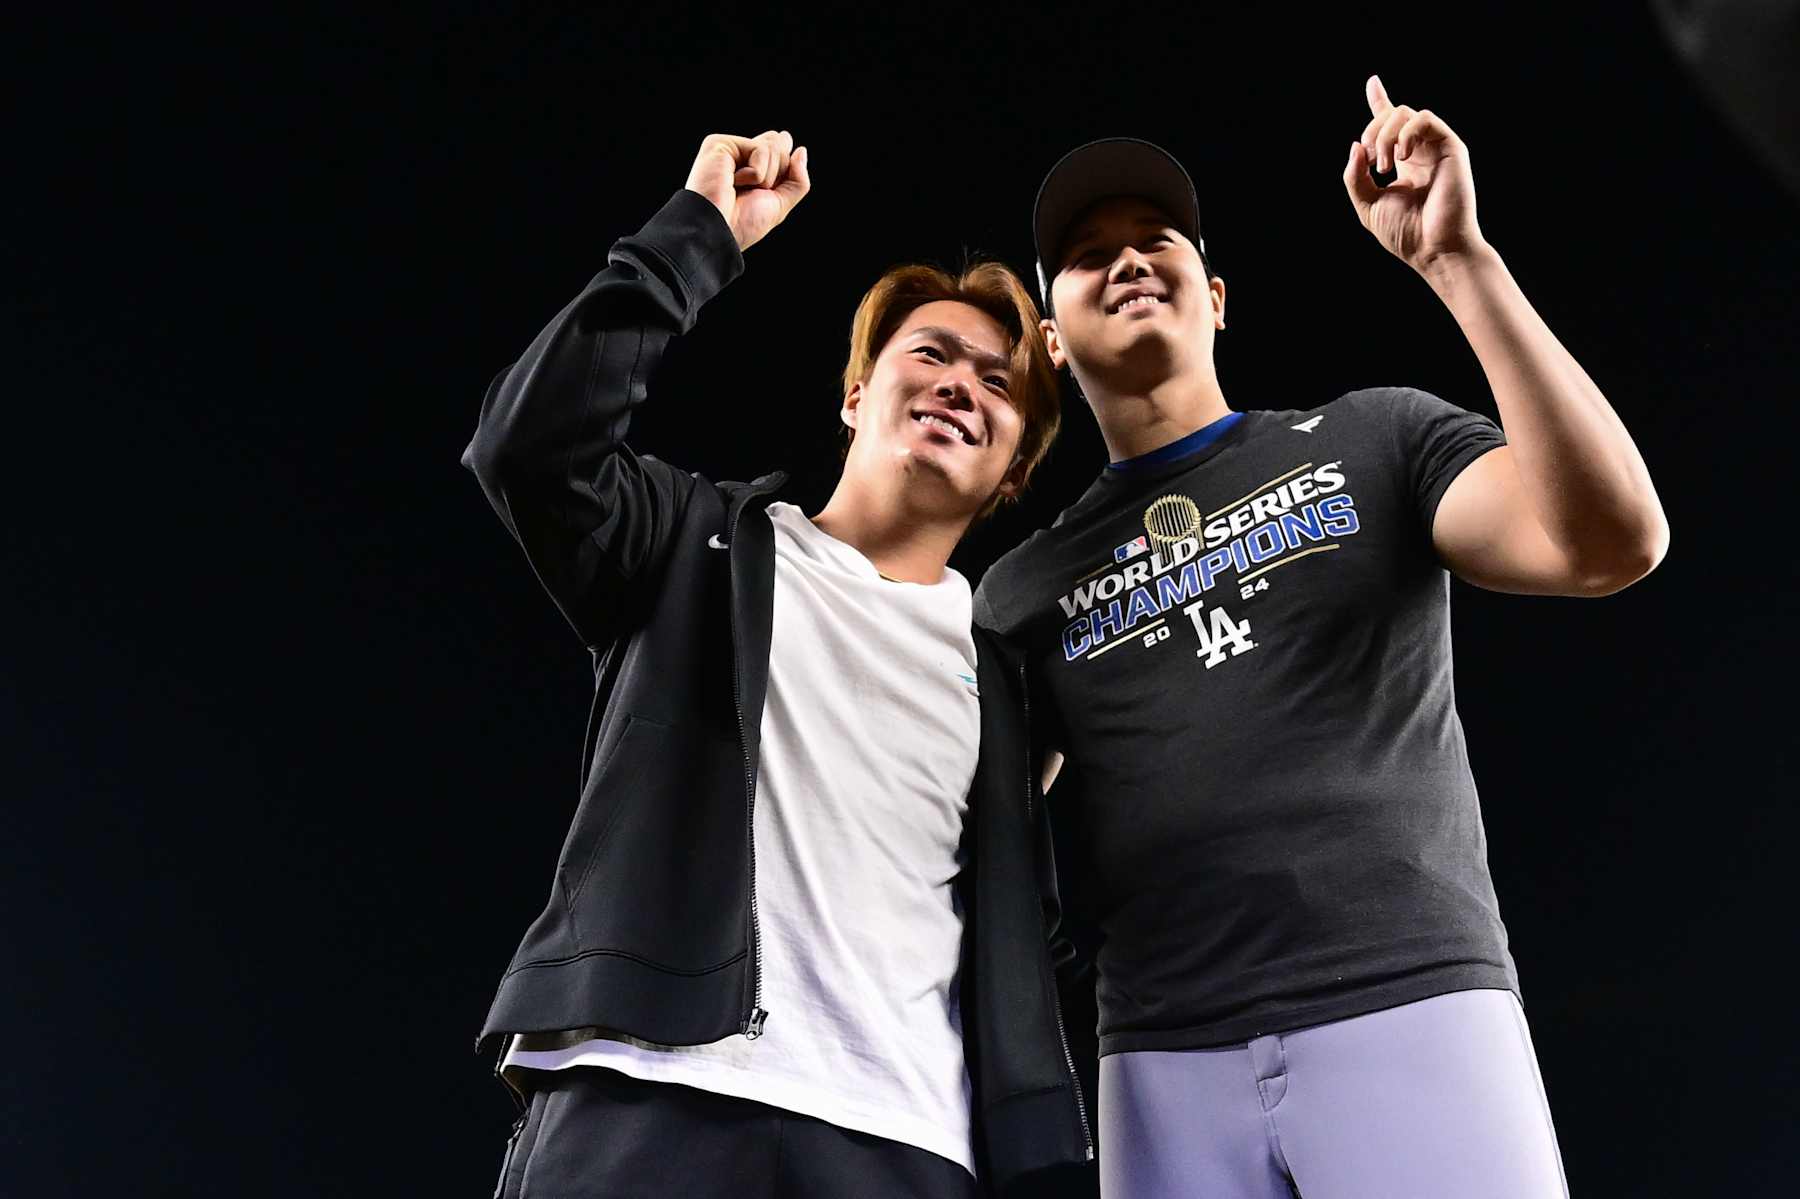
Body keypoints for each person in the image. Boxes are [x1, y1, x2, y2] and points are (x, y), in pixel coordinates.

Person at [973, 77, 1668, 1198]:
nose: (1129, 258)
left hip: (1411, 998)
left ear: (1217, 297)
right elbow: (960, 832)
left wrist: (1460, 261)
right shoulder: (1021, 589)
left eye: (1157, 239)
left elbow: (1611, 542)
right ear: (1051, 339)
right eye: (1090, 255)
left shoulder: (1373, 439)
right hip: (1160, 1058)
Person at [461, 128, 1091, 1198]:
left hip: (905, 1142)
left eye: (998, 381)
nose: (959, 385)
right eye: (930, 355)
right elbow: (529, 448)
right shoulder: (692, 547)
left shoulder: (1017, 688)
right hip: (651, 1091)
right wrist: (694, 237)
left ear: (1014, 468)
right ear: (856, 395)